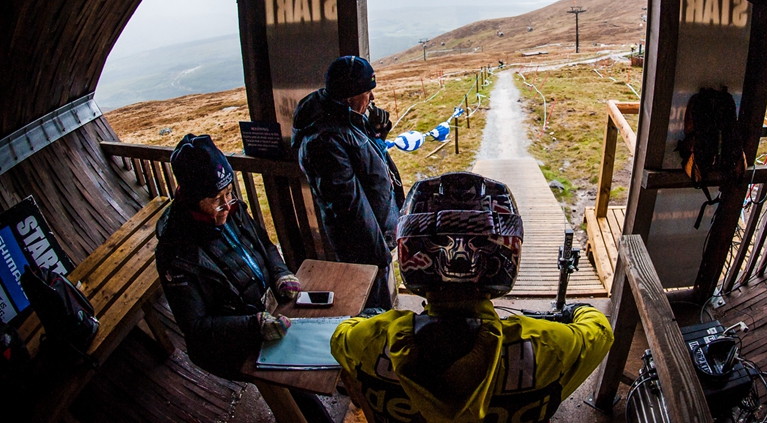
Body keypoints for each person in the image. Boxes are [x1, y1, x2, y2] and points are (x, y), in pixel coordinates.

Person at [330, 172, 614, 423]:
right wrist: (578, 311)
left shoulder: (369, 341)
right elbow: (600, 331)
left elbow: (341, 335)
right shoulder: (547, 348)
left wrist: (367, 319)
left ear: (409, 253)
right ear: (507, 253)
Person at [155, 135, 332, 422]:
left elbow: (264, 244)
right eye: (216, 200)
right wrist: (254, 326)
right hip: (230, 341)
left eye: (229, 193)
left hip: (263, 311)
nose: (227, 205)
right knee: (298, 385)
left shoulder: (230, 209)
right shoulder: (176, 254)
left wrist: (280, 273)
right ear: (190, 199)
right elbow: (197, 329)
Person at [292, 55, 404, 309]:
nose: (372, 98)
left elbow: (368, 166)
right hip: (363, 247)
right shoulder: (324, 141)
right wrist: (379, 254)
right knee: (370, 305)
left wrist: (377, 135)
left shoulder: (347, 118)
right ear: (350, 96)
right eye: (368, 91)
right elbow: (350, 208)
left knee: (380, 299)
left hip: (375, 237)